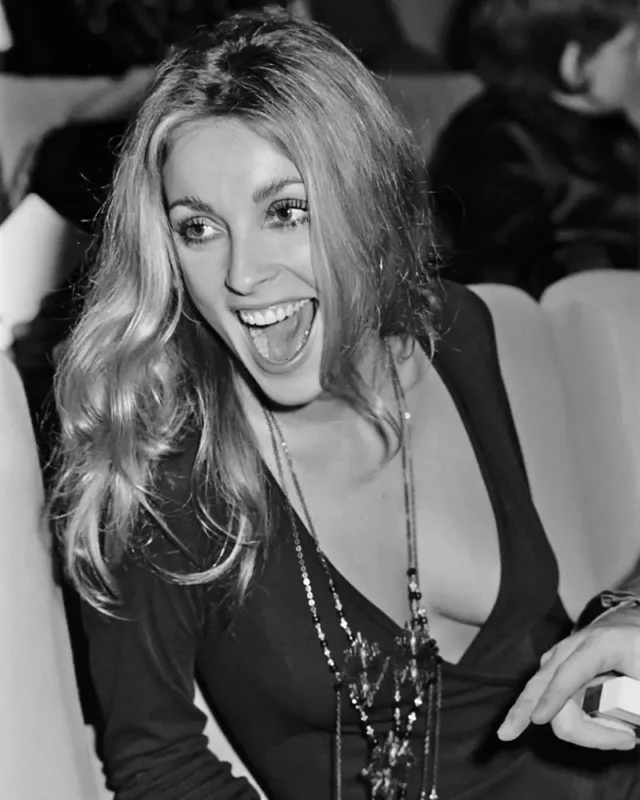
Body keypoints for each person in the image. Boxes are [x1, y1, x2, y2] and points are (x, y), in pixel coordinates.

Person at [53, 9, 640, 800]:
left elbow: (561, 625)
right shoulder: (163, 468)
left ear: (365, 199)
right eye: (199, 228)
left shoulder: (451, 332)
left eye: (285, 211)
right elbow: (157, 765)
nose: (243, 274)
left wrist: (628, 613)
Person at [428, 0, 640, 299]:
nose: (638, 61)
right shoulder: (495, 144)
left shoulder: (606, 124)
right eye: (629, 49)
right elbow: (509, 271)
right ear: (574, 60)